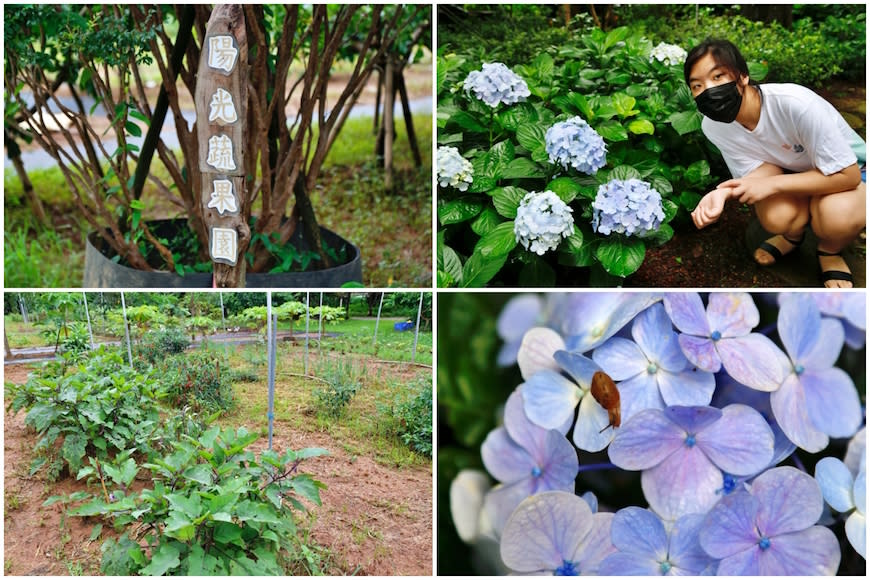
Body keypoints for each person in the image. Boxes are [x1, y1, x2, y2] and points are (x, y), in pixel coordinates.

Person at [685, 39, 866, 288]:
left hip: (847, 171)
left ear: (743, 76)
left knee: (836, 217)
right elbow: (762, 171)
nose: (708, 89)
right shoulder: (713, 125)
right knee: (775, 216)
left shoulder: (795, 104)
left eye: (718, 77)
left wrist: (776, 184)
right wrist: (722, 193)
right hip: (796, 172)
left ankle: (830, 251)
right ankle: (793, 236)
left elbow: (849, 175)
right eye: (697, 85)